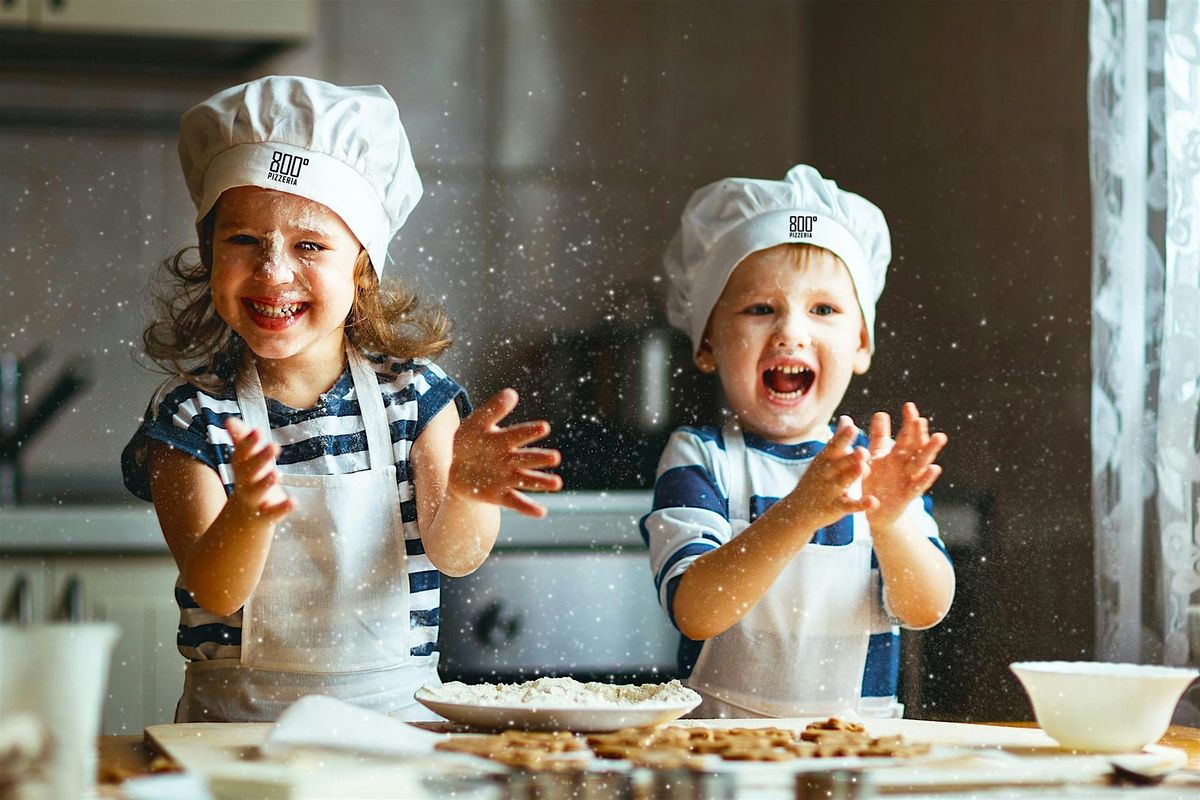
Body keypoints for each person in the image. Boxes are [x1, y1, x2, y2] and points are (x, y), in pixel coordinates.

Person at [121, 76, 561, 722]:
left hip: (397, 729)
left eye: (309, 245)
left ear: (361, 267)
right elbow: (215, 589)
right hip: (236, 735)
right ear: (209, 253)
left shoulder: (417, 398)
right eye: (243, 240)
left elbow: (455, 556)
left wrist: (465, 490)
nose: (273, 272)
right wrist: (248, 513)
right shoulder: (190, 419)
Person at [643, 165, 955, 719]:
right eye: (760, 308)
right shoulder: (700, 458)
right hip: (719, 754)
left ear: (861, 343)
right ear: (708, 341)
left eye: (824, 310)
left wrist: (888, 521)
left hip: (857, 756)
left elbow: (926, 607)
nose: (791, 331)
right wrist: (799, 513)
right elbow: (695, 609)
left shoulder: (877, 469)